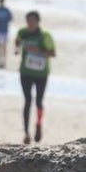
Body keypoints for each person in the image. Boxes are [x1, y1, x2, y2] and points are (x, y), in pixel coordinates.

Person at [15, 10, 55, 144]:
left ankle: (38, 124)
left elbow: (53, 53)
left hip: (41, 73)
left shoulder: (44, 36)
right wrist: (17, 48)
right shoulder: (22, 32)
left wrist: (39, 52)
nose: (30, 23)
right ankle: (26, 132)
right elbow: (17, 41)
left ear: (38, 22)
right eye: (28, 21)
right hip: (25, 72)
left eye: (33, 21)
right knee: (27, 101)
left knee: (38, 102)